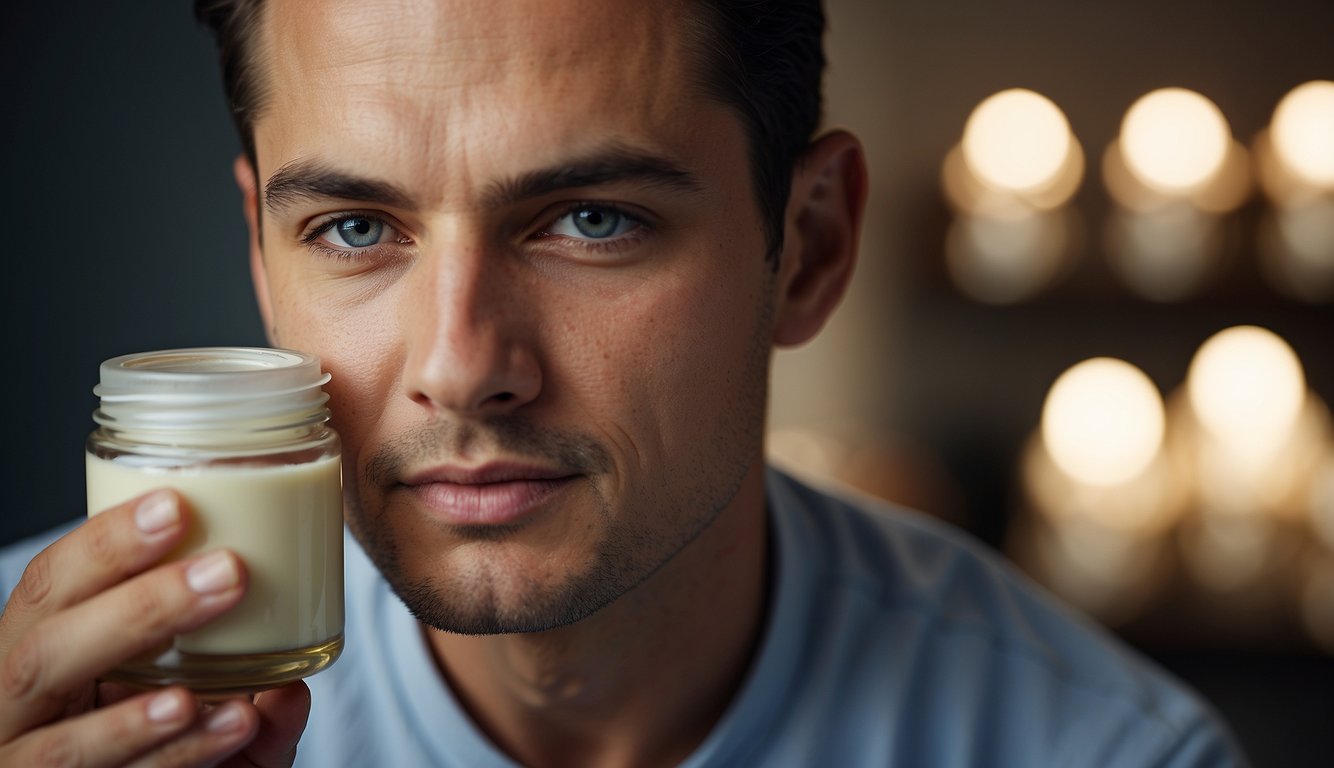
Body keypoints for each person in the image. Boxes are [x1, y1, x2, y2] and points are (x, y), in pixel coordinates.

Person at [0, 0, 1248, 765]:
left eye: (591, 219)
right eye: (353, 230)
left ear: (807, 246)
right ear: (263, 266)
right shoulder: (30, 707)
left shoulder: (1105, 753)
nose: (461, 367)